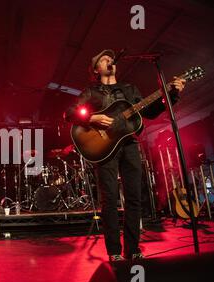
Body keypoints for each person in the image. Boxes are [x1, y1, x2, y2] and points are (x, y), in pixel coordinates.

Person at [66, 49, 186, 261]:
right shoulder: (92, 91)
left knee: (134, 198)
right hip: (104, 150)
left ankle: (133, 249)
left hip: (130, 144)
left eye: (110, 58)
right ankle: (114, 252)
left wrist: (171, 94)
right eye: (103, 58)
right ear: (96, 69)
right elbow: (70, 113)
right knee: (110, 200)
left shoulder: (130, 89)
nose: (109, 60)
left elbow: (150, 111)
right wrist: (92, 118)